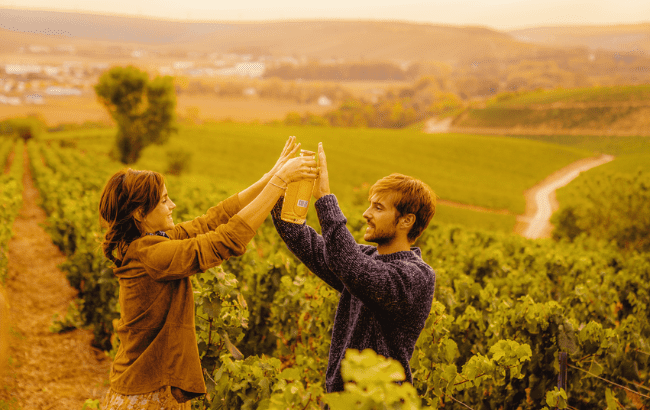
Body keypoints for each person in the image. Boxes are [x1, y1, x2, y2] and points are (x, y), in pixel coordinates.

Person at [98, 136, 317, 409]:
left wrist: (270, 176)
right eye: (164, 201)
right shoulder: (152, 254)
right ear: (140, 213)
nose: (173, 205)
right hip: (144, 392)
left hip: (151, 382)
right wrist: (279, 183)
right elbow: (223, 241)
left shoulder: (149, 241)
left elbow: (212, 220)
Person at [271, 142, 437, 394]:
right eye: (370, 205)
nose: (365, 213)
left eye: (378, 208)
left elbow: (355, 269)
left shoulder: (417, 276)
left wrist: (325, 198)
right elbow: (302, 238)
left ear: (406, 220)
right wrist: (279, 182)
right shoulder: (366, 256)